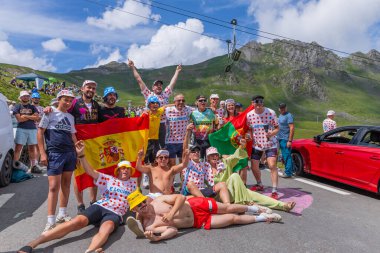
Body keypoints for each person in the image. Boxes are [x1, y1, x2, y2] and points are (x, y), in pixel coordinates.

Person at [17, 141, 137, 253]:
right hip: (101, 206)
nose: (124, 170)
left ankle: (90, 251)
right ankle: (32, 244)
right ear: (118, 171)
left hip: (115, 213)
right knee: (76, 222)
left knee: (107, 228)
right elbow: (90, 172)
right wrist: (82, 155)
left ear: (131, 171)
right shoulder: (110, 179)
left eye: (127, 168)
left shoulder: (133, 186)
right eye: (122, 168)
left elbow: (139, 204)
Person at [126, 191, 282, 242]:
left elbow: (180, 197)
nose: (143, 205)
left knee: (227, 207)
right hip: (197, 221)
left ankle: (255, 208)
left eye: (142, 201)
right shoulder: (150, 226)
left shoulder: (159, 201)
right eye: (138, 205)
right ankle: (263, 218)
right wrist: (158, 238)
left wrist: (172, 212)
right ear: (135, 210)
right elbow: (172, 230)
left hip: (195, 204)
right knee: (232, 219)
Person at [38, 90, 78, 233]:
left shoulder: (71, 117)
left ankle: (62, 213)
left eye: (70, 101)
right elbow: (40, 132)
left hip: (69, 153)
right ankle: (50, 221)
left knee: (66, 184)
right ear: (59, 99)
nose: (67, 103)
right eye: (65, 100)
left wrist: (77, 152)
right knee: (54, 187)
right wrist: (43, 153)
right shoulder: (50, 112)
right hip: (54, 154)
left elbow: (73, 136)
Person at [128, 59, 182, 148]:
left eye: (160, 85)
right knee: (149, 146)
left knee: (163, 146)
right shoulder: (148, 94)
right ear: (153, 87)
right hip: (150, 123)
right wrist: (133, 67)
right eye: (157, 85)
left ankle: (163, 160)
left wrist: (177, 71)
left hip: (163, 123)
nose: (159, 86)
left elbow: (172, 83)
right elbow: (139, 80)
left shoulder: (165, 94)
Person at [69, 80, 100, 214]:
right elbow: (62, 112)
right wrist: (49, 109)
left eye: (93, 88)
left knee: (94, 173)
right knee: (79, 174)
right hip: (77, 143)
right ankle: (80, 204)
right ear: (82, 89)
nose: (91, 90)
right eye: (89, 87)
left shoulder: (97, 105)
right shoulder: (74, 103)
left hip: (93, 145)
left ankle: (93, 202)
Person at [181, 123, 231, 204]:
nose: (196, 153)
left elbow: (214, 159)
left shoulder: (204, 164)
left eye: (198, 151)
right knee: (190, 184)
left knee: (222, 184)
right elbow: (184, 148)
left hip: (202, 190)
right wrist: (187, 132)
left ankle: (227, 206)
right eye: (193, 151)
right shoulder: (187, 163)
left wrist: (223, 156)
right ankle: (206, 203)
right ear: (189, 154)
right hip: (190, 190)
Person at [246, 95, 280, 200]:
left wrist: (272, 133)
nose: (258, 105)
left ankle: (274, 190)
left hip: (270, 143)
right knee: (254, 166)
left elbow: (277, 128)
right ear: (252, 103)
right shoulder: (249, 115)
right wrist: (249, 136)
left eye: (260, 102)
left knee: (272, 164)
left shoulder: (271, 112)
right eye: (256, 102)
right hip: (257, 144)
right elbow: (249, 128)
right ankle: (259, 184)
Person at [12, 90, 43, 173]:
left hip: (32, 129)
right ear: (20, 97)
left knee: (32, 148)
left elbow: (37, 118)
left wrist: (25, 116)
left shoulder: (32, 107)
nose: (26, 97)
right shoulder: (17, 106)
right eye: (24, 96)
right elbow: (19, 119)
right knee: (18, 147)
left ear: (29, 97)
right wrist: (31, 116)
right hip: (21, 129)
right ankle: (15, 165)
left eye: (27, 96)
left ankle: (33, 166)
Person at [164, 94, 193, 167]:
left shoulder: (188, 109)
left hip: (184, 142)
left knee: (183, 166)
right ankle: (171, 179)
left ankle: (183, 179)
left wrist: (211, 108)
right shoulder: (168, 110)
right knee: (172, 165)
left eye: (183, 100)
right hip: (170, 142)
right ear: (174, 102)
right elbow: (159, 108)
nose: (181, 102)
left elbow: (200, 108)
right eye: (179, 100)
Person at [190, 95, 219, 159]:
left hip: (209, 140)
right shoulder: (193, 113)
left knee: (209, 161)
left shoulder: (211, 112)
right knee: (198, 160)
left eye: (204, 100)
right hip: (197, 141)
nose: (203, 102)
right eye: (200, 101)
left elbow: (217, 124)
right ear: (196, 102)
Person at [277, 103, 295, 178]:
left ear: (286, 108)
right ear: (279, 109)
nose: (282, 109)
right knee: (284, 155)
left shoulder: (289, 115)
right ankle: (292, 170)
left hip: (285, 139)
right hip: (279, 138)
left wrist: (289, 140)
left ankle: (288, 173)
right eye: (281, 108)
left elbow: (292, 128)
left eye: (284, 108)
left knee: (287, 155)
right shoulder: (280, 115)